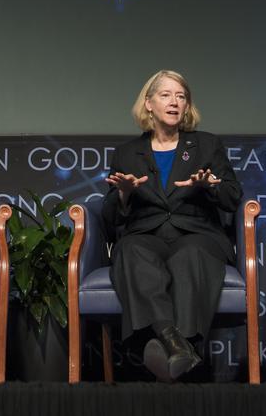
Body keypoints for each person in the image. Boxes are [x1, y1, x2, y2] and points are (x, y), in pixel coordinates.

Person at [103, 70, 241, 382]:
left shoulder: (206, 146)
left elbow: (233, 198)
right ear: (148, 104)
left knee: (188, 254)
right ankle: (176, 344)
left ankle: (174, 348)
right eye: (166, 95)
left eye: (181, 96)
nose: (174, 102)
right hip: (146, 233)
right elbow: (110, 220)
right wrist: (123, 194)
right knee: (131, 249)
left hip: (197, 233)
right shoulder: (127, 153)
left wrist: (210, 186)